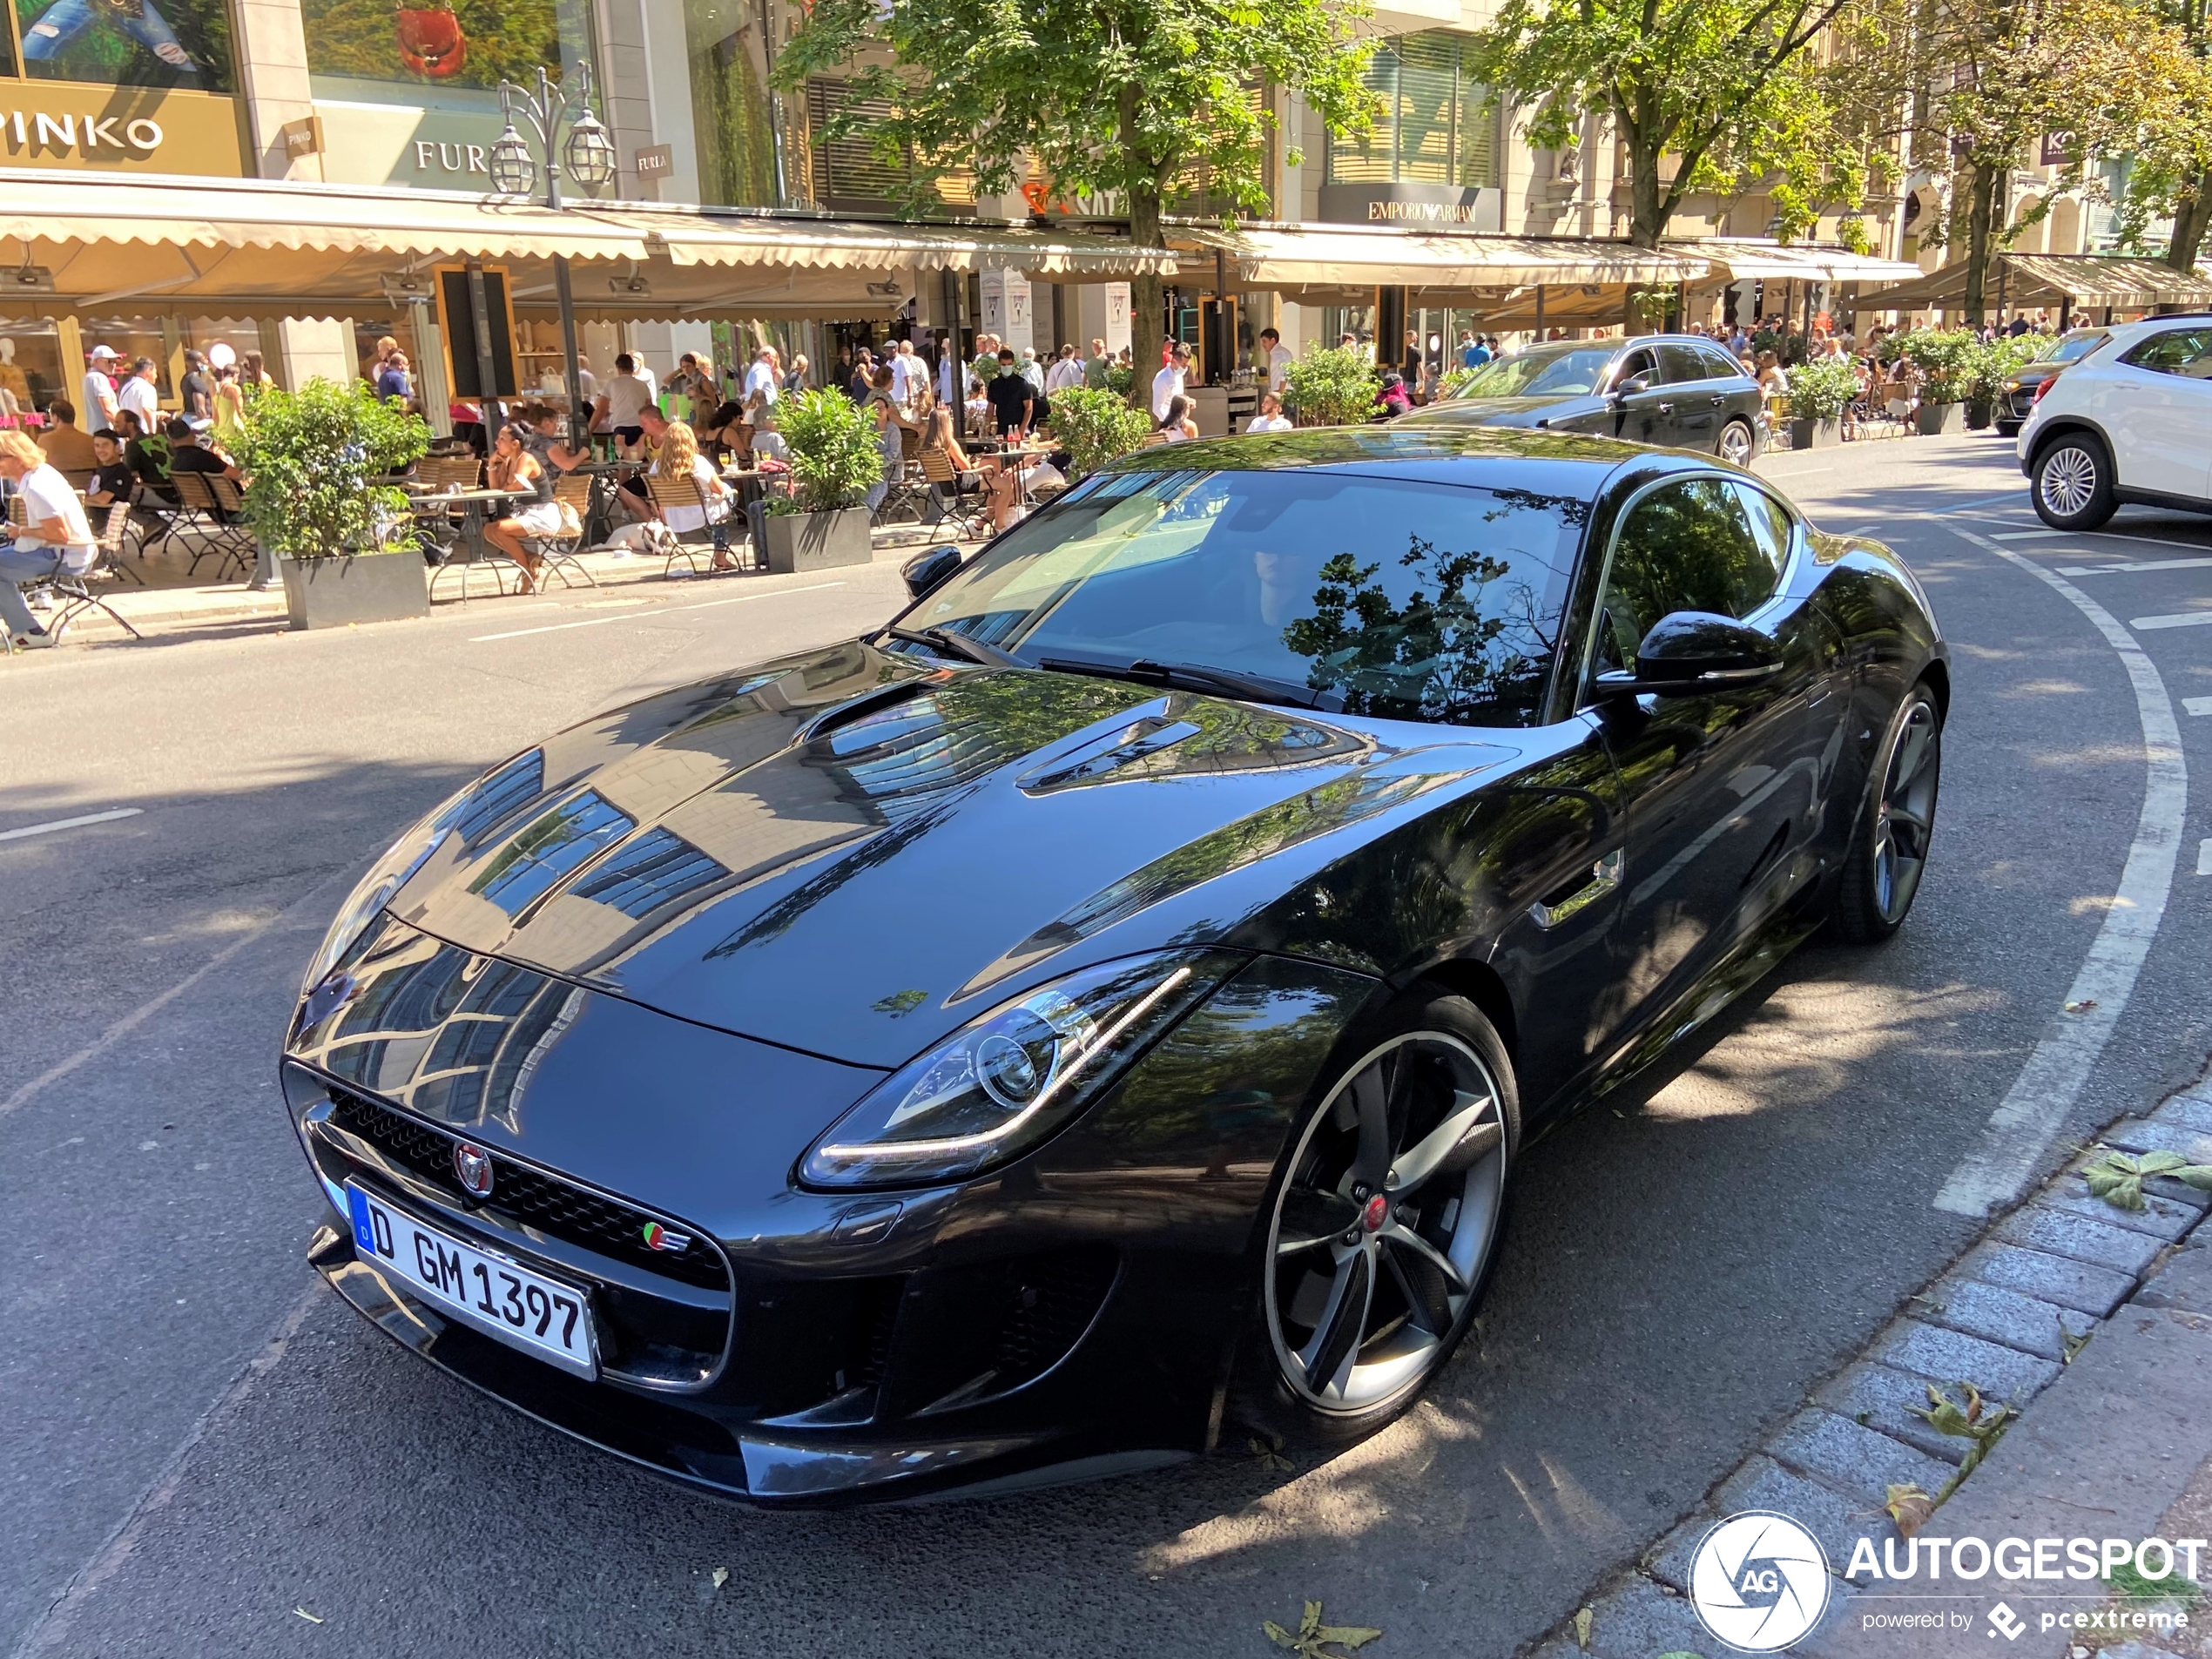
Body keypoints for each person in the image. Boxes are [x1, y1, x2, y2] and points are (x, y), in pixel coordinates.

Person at [0, 431, 98, 650]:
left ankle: (30, 631)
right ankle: (24, 628)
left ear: (16, 458)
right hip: (64, 550)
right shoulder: (40, 473)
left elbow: (60, 534)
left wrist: (22, 531)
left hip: (64, 554)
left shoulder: (36, 487)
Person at [645, 418, 737, 570]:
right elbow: (719, 490)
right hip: (701, 515)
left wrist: (662, 516)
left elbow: (653, 497)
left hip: (672, 517)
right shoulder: (698, 462)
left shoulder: (657, 465)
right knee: (729, 491)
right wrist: (729, 491)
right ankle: (720, 555)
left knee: (719, 498)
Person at [480, 421, 561, 592]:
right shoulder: (509, 461)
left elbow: (516, 487)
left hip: (543, 514)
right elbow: (496, 487)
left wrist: (505, 486)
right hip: (525, 513)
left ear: (515, 443)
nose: (497, 442)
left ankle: (527, 572)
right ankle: (530, 559)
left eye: (502, 439)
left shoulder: (526, 459)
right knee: (489, 530)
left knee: (500, 529)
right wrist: (492, 464)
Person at [593, 353, 656, 457]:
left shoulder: (611, 384)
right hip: (641, 427)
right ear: (632, 367)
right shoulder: (642, 385)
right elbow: (649, 408)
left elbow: (601, 409)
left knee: (623, 463)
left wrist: (589, 429)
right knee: (643, 460)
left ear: (618, 367)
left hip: (621, 427)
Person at [986, 349, 1034, 438]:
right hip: (1002, 429)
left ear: (1013, 364)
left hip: (1019, 427)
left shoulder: (1022, 384)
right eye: (1003, 365)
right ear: (999, 364)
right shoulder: (994, 384)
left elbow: (1029, 408)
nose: (1006, 367)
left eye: (1009, 364)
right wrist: (986, 427)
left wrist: (1021, 429)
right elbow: (990, 408)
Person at [38, 401, 98, 469]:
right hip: (87, 479)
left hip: (57, 479)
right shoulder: (91, 441)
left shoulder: (44, 440)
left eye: (51, 416)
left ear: (56, 418)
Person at [84, 430, 134, 507]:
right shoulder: (100, 469)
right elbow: (91, 492)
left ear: (117, 448)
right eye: (97, 445)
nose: (100, 450)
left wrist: (81, 500)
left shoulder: (121, 472)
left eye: (105, 445)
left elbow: (103, 499)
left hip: (110, 516)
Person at [80, 345, 120, 432]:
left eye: (114, 361)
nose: (113, 364)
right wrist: (122, 429)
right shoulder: (98, 378)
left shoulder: (89, 377)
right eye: (109, 361)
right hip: (106, 434)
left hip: (97, 432)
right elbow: (108, 410)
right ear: (96, 361)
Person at [1150, 341, 1190, 421]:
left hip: (1181, 421)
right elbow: (1157, 408)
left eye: (1187, 365)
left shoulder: (1179, 376)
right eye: (1183, 365)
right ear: (1174, 361)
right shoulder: (1162, 379)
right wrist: (1170, 423)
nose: (1185, 368)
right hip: (1169, 424)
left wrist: (1187, 401)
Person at [117, 356, 160, 430]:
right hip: (142, 432)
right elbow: (147, 410)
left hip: (127, 432)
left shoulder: (126, 387)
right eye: (155, 373)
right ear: (148, 371)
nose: (156, 377)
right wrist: (152, 433)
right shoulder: (147, 387)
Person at [178, 349, 213, 429]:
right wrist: (206, 425)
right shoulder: (196, 380)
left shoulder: (186, 378)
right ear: (198, 363)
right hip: (197, 421)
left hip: (189, 417)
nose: (207, 361)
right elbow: (200, 408)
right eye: (204, 359)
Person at [1257, 327, 1292, 395]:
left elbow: (1284, 370)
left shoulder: (1277, 353)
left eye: (1264, 341)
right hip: (1287, 390)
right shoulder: (1284, 351)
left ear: (1272, 340)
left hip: (1282, 391)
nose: (1262, 345)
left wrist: (1280, 391)